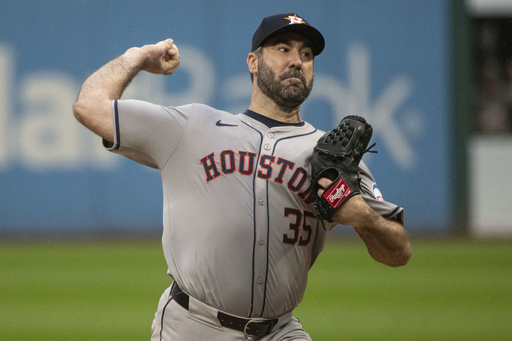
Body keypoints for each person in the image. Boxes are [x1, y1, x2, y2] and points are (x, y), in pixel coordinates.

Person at [73, 12, 411, 341]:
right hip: (193, 326)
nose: (296, 60)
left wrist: (363, 217)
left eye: (306, 54)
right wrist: (138, 57)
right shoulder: (191, 127)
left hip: (280, 331)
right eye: (283, 49)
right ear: (253, 61)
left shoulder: (331, 156)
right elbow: (89, 106)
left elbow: (398, 252)